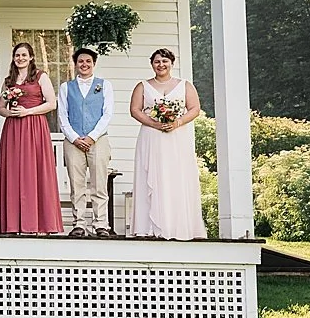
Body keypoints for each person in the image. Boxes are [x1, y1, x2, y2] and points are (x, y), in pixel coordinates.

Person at [130, 48, 206, 240]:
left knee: (176, 176)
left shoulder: (184, 85)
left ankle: (177, 226)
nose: (161, 65)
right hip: (151, 136)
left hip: (176, 137)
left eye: (165, 61)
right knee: (151, 176)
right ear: (152, 64)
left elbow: (195, 108)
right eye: (157, 61)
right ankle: (146, 228)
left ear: (172, 63)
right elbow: (135, 110)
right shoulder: (143, 86)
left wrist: (177, 122)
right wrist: (154, 123)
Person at [0, 41, 63, 235]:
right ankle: (13, 224)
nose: (20, 58)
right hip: (14, 129)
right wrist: (11, 114)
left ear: (31, 57)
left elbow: (51, 104)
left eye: (24, 55)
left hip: (35, 127)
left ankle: (40, 223)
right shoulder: (9, 80)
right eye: (17, 55)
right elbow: (0, 107)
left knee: (36, 169)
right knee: (15, 171)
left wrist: (28, 112)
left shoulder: (41, 77)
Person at [59, 46, 115, 237]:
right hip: (73, 141)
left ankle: (101, 224)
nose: (84, 64)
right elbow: (62, 117)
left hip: (98, 140)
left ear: (93, 64)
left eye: (88, 61)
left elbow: (107, 114)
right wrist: (75, 138)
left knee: (99, 184)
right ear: (75, 64)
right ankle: (79, 224)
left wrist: (92, 137)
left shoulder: (104, 85)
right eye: (80, 61)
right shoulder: (66, 87)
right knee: (77, 184)